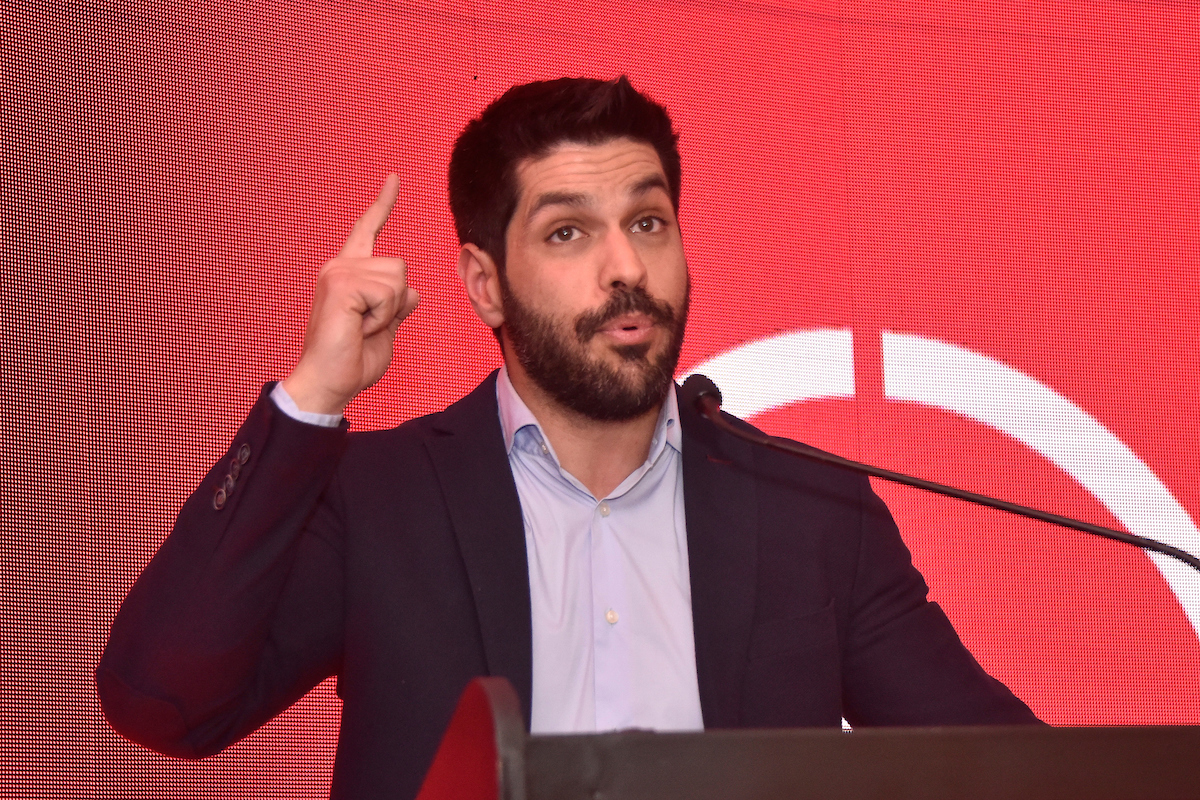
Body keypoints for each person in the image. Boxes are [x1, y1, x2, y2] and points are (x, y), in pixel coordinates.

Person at [98, 76, 1039, 800]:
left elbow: (1007, 772)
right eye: (567, 234)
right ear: (485, 285)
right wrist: (313, 396)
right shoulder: (380, 498)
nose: (626, 266)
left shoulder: (810, 508)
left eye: (647, 222)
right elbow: (163, 702)